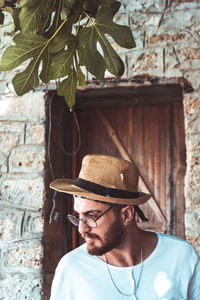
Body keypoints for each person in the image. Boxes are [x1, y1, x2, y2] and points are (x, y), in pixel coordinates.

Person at [49, 154, 200, 300]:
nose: (82, 229)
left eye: (92, 216)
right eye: (80, 217)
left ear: (127, 215)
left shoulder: (182, 256)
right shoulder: (71, 268)